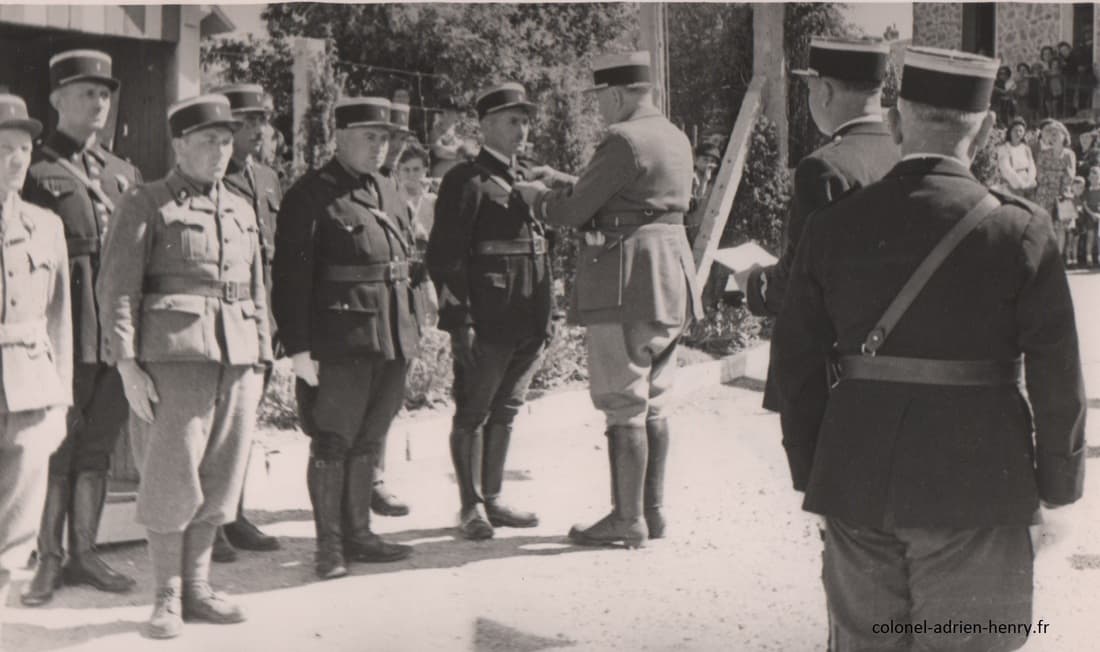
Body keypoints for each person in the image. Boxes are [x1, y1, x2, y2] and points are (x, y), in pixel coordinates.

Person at [771, 46, 1085, 652]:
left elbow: (795, 359)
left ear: (894, 121)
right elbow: (1057, 374)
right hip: (977, 486)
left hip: (856, 482)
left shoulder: (832, 227)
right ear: (989, 129)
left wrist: (817, 472)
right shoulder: (1021, 230)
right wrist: (1057, 487)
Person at [96, 94, 270, 639]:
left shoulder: (241, 207)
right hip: (172, 360)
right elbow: (117, 289)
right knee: (171, 480)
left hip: (237, 359)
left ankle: (198, 589)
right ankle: (166, 597)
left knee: (220, 479)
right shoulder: (146, 203)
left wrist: (263, 356)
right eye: (206, 141)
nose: (219, 151)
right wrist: (126, 364)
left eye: (224, 141)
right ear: (179, 145)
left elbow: (256, 289)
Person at [516, 51, 702, 548]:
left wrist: (535, 196)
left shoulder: (622, 139)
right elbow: (632, 195)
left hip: (625, 280)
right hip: (669, 278)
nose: (599, 108)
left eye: (600, 98)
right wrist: (562, 177)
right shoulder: (674, 136)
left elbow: (578, 211)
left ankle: (626, 519)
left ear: (617, 94)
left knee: (622, 401)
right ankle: (652, 512)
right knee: (655, 400)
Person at [272, 97, 417, 580]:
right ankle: (329, 546)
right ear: (339, 137)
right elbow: (291, 278)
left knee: (370, 439)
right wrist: (298, 348)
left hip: (391, 336)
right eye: (368, 137)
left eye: (384, 138)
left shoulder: (389, 190)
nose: (379, 147)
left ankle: (360, 534)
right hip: (340, 339)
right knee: (333, 442)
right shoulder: (311, 195)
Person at [21, 49, 141, 606]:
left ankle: (85, 553)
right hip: (62, 329)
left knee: (97, 446)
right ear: (56, 100)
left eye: (103, 93)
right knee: (57, 445)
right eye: (85, 92)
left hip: (114, 330)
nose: (98, 102)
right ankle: (48, 556)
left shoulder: (123, 174)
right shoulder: (36, 170)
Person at [740, 38, 900, 411]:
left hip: (833, 373)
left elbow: (799, 281)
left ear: (825, 91)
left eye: (811, 86)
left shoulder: (824, 166)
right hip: (892, 361)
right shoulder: (904, 150)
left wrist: (752, 284)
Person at [427, 82, 552, 540]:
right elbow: (444, 257)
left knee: (507, 411)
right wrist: (460, 322)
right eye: (512, 121)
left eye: (524, 121)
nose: (522, 130)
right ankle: (471, 505)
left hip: (527, 317)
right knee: (473, 412)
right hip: (489, 320)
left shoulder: (528, 182)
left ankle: (495, 497)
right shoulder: (466, 181)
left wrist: (547, 314)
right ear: (485, 127)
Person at [0, 94, 71, 634]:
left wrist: (61, 398)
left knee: (16, 524)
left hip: (29, 386)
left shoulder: (47, 225)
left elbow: (60, 317)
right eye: (3, 149)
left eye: (23, 149)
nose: (17, 160)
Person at [210, 83, 284, 562]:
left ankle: (235, 513)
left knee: (245, 421)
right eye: (246, 121)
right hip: (225, 314)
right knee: (214, 421)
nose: (257, 129)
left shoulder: (270, 178)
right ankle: (211, 521)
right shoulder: (211, 176)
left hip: (264, 313)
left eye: (261, 120)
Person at [1035, 118, 1076, 255]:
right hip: (1044, 193)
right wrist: (1056, 176)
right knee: (1044, 226)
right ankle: (1044, 257)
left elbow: (1070, 175)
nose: (1054, 136)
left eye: (1057, 133)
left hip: (1062, 194)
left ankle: (1058, 259)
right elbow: (1040, 174)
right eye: (1052, 134)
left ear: (1064, 135)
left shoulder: (1069, 155)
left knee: (1060, 228)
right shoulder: (1042, 154)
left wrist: (1057, 181)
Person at [996, 116, 1037, 199]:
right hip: (1011, 183)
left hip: (1027, 184)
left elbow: (1032, 166)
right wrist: (1020, 183)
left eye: (1020, 131)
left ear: (1024, 133)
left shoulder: (1026, 148)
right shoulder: (1004, 148)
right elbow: (1006, 169)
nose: (1018, 133)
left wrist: (1029, 181)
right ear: (1010, 132)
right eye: (1015, 130)